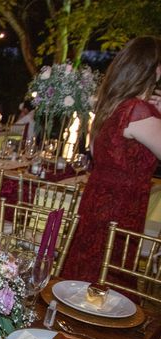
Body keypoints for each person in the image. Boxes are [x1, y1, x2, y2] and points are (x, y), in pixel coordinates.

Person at [62, 36, 161, 289]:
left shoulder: (111, 107)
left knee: (85, 273)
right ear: (153, 68)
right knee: (107, 278)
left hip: (96, 201)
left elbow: (96, 152)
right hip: (122, 208)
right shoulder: (139, 111)